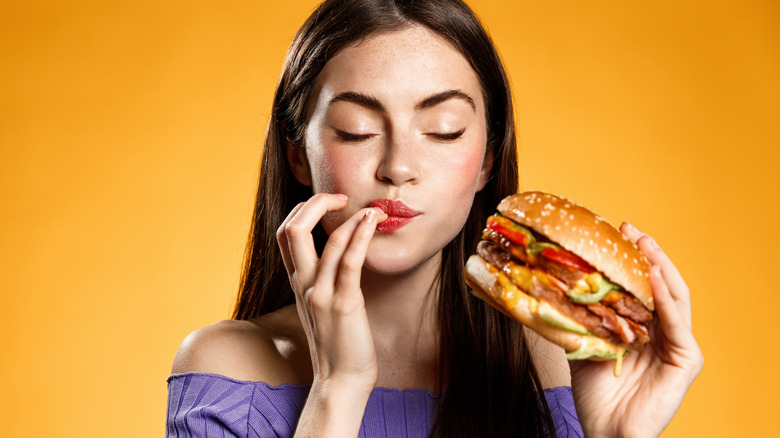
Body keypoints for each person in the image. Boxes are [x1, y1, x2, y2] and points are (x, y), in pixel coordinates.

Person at [166, 0, 703, 436]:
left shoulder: (569, 367)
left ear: (488, 159)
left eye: (444, 129)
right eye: (356, 130)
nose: (398, 167)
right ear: (297, 155)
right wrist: (339, 388)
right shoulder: (227, 368)